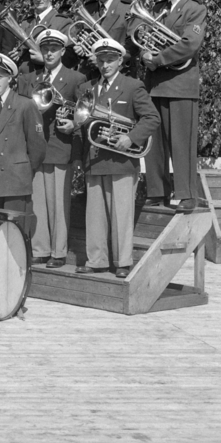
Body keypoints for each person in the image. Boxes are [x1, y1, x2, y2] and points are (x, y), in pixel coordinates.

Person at [76, 38, 159, 276]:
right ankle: (97, 260)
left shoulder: (133, 86)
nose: (105, 65)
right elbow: (82, 124)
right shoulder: (87, 88)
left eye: (110, 60)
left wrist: (131, 138)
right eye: (101, 60)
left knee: (121, 214)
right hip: (94, 159)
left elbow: (152, 118)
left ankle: (123, 262)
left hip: (122, 161)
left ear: (120, 61)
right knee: (95, 215)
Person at [140, 0, 207, 207]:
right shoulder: (158, 9)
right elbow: (144, 38)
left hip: (180, 84)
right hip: (155, 84)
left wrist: (156, 60)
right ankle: (157, 192)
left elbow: (189, 44)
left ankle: (187, 194)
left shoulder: (194, 8)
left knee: (181, 142)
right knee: (153, 142)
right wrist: (144, 55)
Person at [17, 30, 86, 265]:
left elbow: (84, 112)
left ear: (62, 51)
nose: (49, 53)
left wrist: (74, 124)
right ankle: (40, 249)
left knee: (59, 205)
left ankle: (58, 252)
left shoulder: (75, 78)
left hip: (60, 147)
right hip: (36, 149)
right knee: (38, 204)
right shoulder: (29, 78)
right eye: (45, 48)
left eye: (54, 48)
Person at [0, 52, 46, 217]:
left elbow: (37, 147)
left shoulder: (25, 105)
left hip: (14, 181)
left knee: (14, 236)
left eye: (0, 77)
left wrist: (21, 169)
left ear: (10, 78)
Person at [18, 0, 73, 72]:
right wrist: (17, 55)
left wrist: (45, 60)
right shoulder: (26, 23)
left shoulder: (62, 22)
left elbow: (70, 59)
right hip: (24, 79)